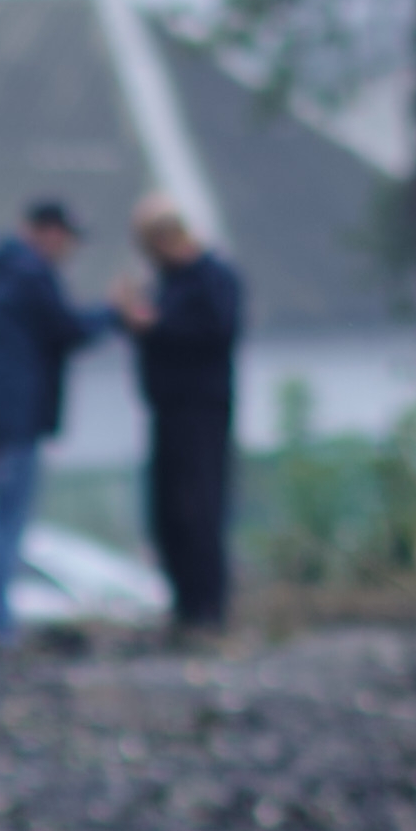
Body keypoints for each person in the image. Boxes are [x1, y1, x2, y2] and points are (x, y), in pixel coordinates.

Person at [0, 198, 116, 648]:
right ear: (48, 232)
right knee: (8, 523)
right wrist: (116, 314)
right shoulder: (28, 275)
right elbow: (67, 329)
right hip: (15, 419)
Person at [113, 196, 246, 636]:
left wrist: (155, 327)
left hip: (201, 411)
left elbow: (217, 333)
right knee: (168, 512)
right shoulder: (168, 285)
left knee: (199, 507)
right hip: (166, 410)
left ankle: (207, 609)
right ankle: (183, 605)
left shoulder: (214, 279)